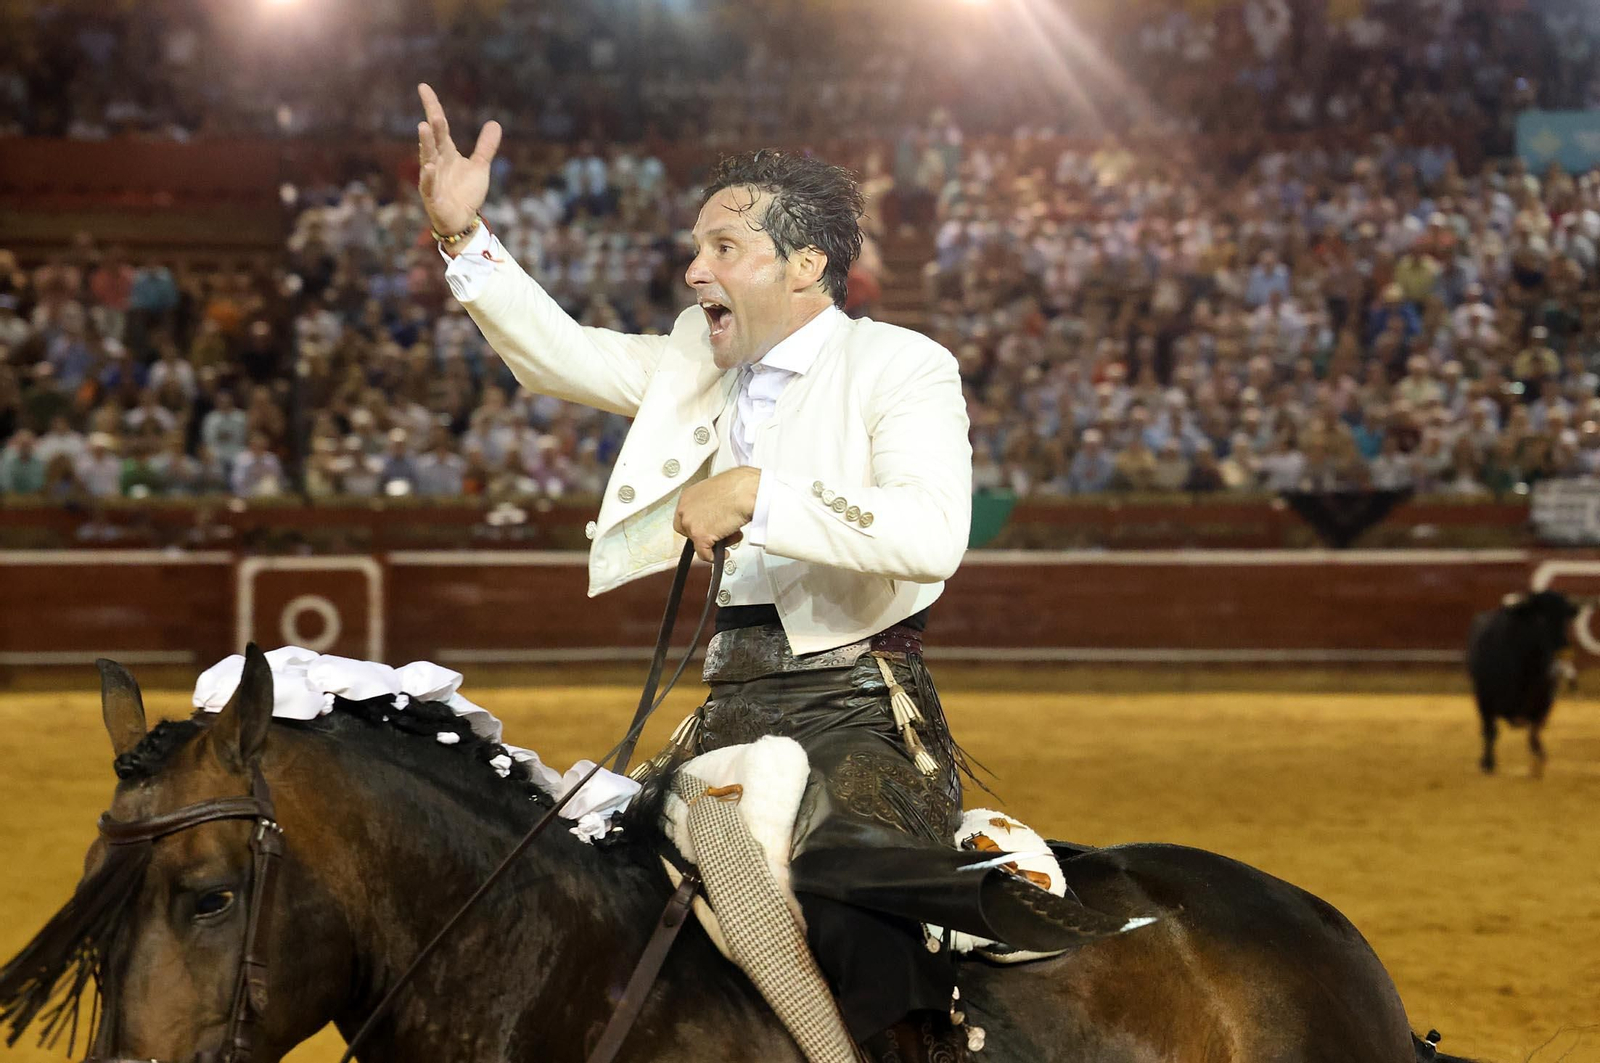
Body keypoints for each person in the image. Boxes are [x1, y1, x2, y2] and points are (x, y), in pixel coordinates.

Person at [415, 84, 1133, 1056]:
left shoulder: (902, 366)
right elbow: (563, 357)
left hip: (858, 706)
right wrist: (464, 239)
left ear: (806, 265)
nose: (691, 268)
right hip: (727, 704)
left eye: (722, 249)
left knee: (855, 913)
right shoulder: (693, 357)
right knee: (608, 897)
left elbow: (930, 536)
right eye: (696, 247)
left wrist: (758, 491)